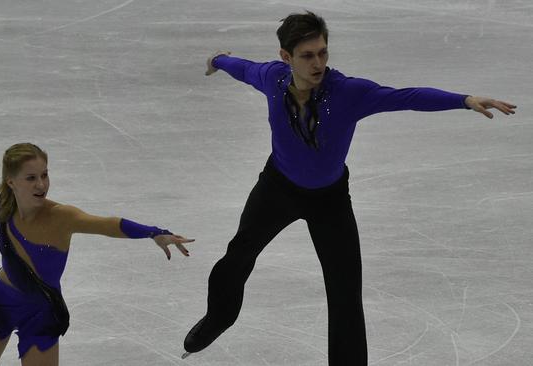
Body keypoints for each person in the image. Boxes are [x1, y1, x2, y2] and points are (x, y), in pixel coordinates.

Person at [182, 11, 516, 365]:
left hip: (329, 200)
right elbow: (244, 67)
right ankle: (219, 317)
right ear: (286, 57)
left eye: (323, 53)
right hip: (277, 188)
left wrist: (463, 99)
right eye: (308, 56)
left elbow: (406, 96)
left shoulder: (348, 92)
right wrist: (218, 60)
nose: (318, 63)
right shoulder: (273, 78)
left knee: (344, 293)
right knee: (236, 257)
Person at [0, 142, 194, 366]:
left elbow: (109, 224)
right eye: (31, 178)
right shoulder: (1, 203)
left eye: (45, 174)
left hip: (41, 312)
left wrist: (153, 232)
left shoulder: (62, 217)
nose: (41, 184)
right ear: (12, 182)